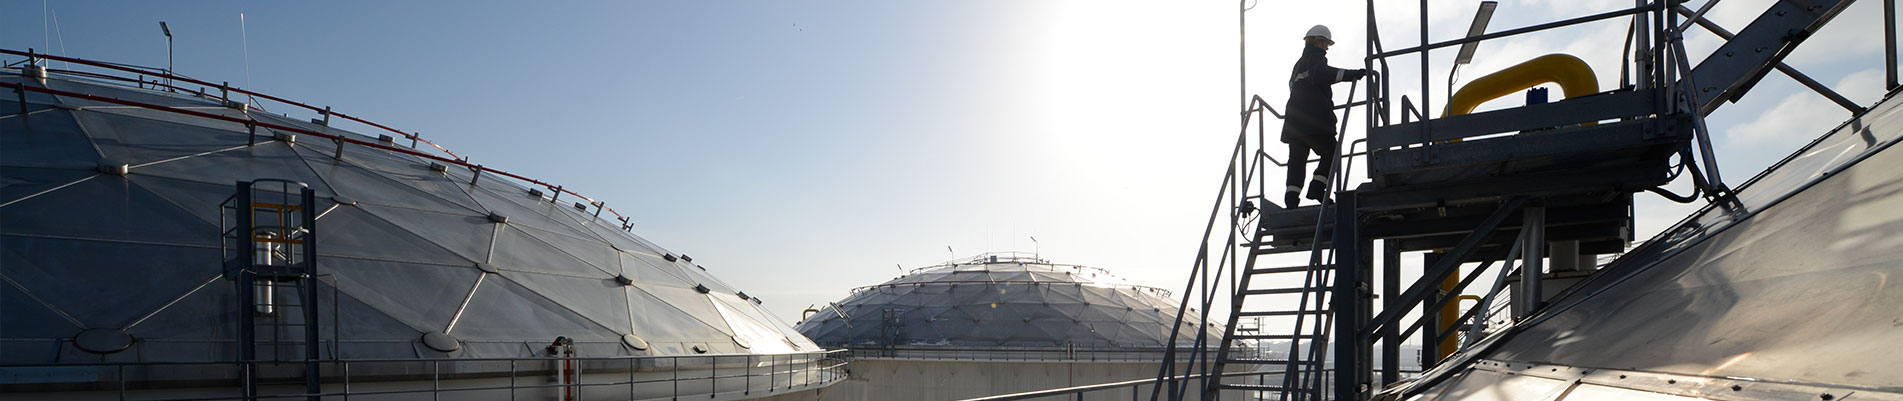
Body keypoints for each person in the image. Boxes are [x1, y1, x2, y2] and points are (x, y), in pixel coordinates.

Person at [1282, 24, 1369, 208]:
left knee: (1297, 161)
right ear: (1314, 41)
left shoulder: (1298, 64)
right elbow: (1323, 75)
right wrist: (1353, 74)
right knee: (1332, 153)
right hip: (1314, 122)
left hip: (1295, 123)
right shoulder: (1315, 59)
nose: (1325, 48)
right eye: (1323, 43)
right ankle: (1317, 188)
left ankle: (1291, 200)